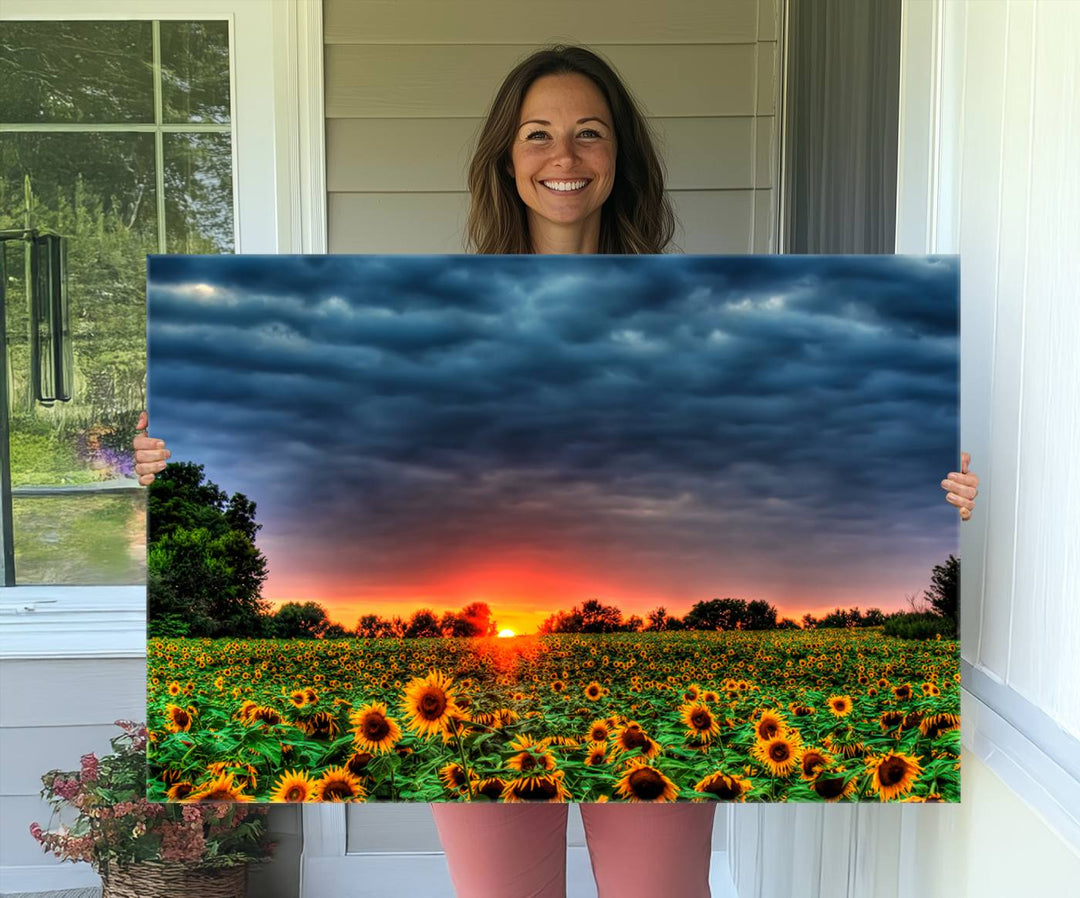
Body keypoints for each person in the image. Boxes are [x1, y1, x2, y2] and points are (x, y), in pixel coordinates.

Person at [134, 45, 979, 898]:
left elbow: (804, 440)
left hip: (649, 693)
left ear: (620, 158)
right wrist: (172, 464)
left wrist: (934, 487)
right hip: (469, 684)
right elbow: (329, 431)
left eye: (589, 134)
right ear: (507, 157)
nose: (564, 157)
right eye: (538, 134)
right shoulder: (437, 317)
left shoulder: (694, 316)